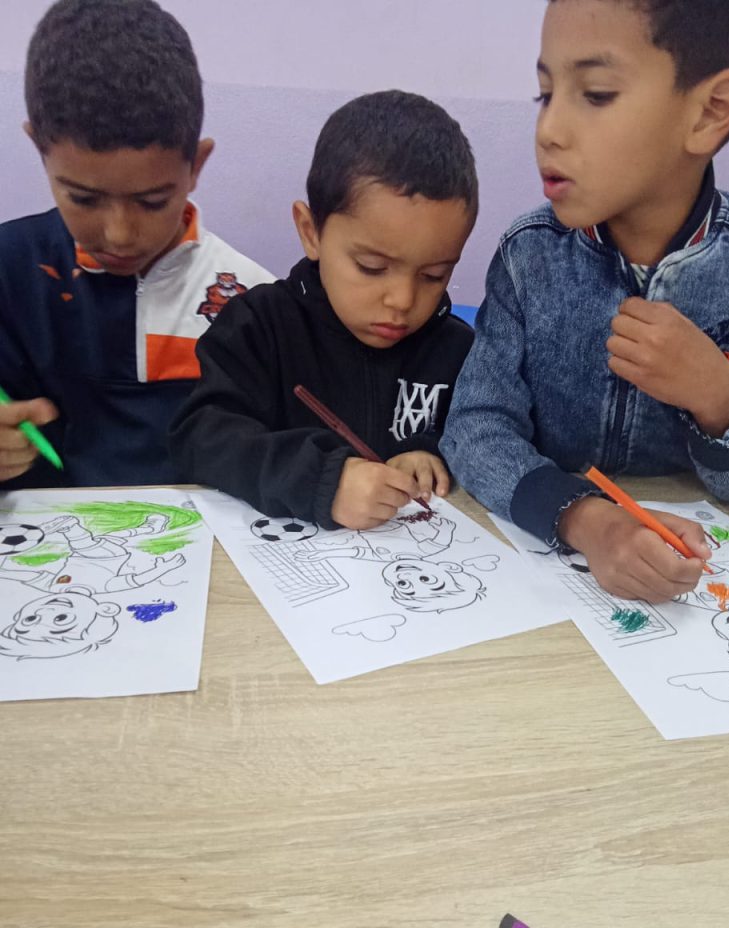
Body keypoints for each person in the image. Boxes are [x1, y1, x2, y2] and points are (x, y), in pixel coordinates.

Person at [441, 0, 729, 603]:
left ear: (710, 111)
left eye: (595, 94)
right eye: (545, 94)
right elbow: (475, 428)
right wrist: (584, 518)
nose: (548, 130)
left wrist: (722, 399)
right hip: (552, 586)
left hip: (712, 596)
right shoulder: (529, 256)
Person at [170, 90, 477, 530]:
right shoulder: (259, 326)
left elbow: (487, 429)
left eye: (434, 275)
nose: (403, 300)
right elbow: (201, 439)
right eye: (371, 267)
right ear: (310, 231)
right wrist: (321, 481)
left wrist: (432, 450)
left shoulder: (458, 349)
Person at [0, 0, 273, 489]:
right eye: (83, 198)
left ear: (196, 166)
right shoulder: (8, 270)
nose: (120, 235)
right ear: (39, 148)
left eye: (152, 201)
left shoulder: (251, 298)